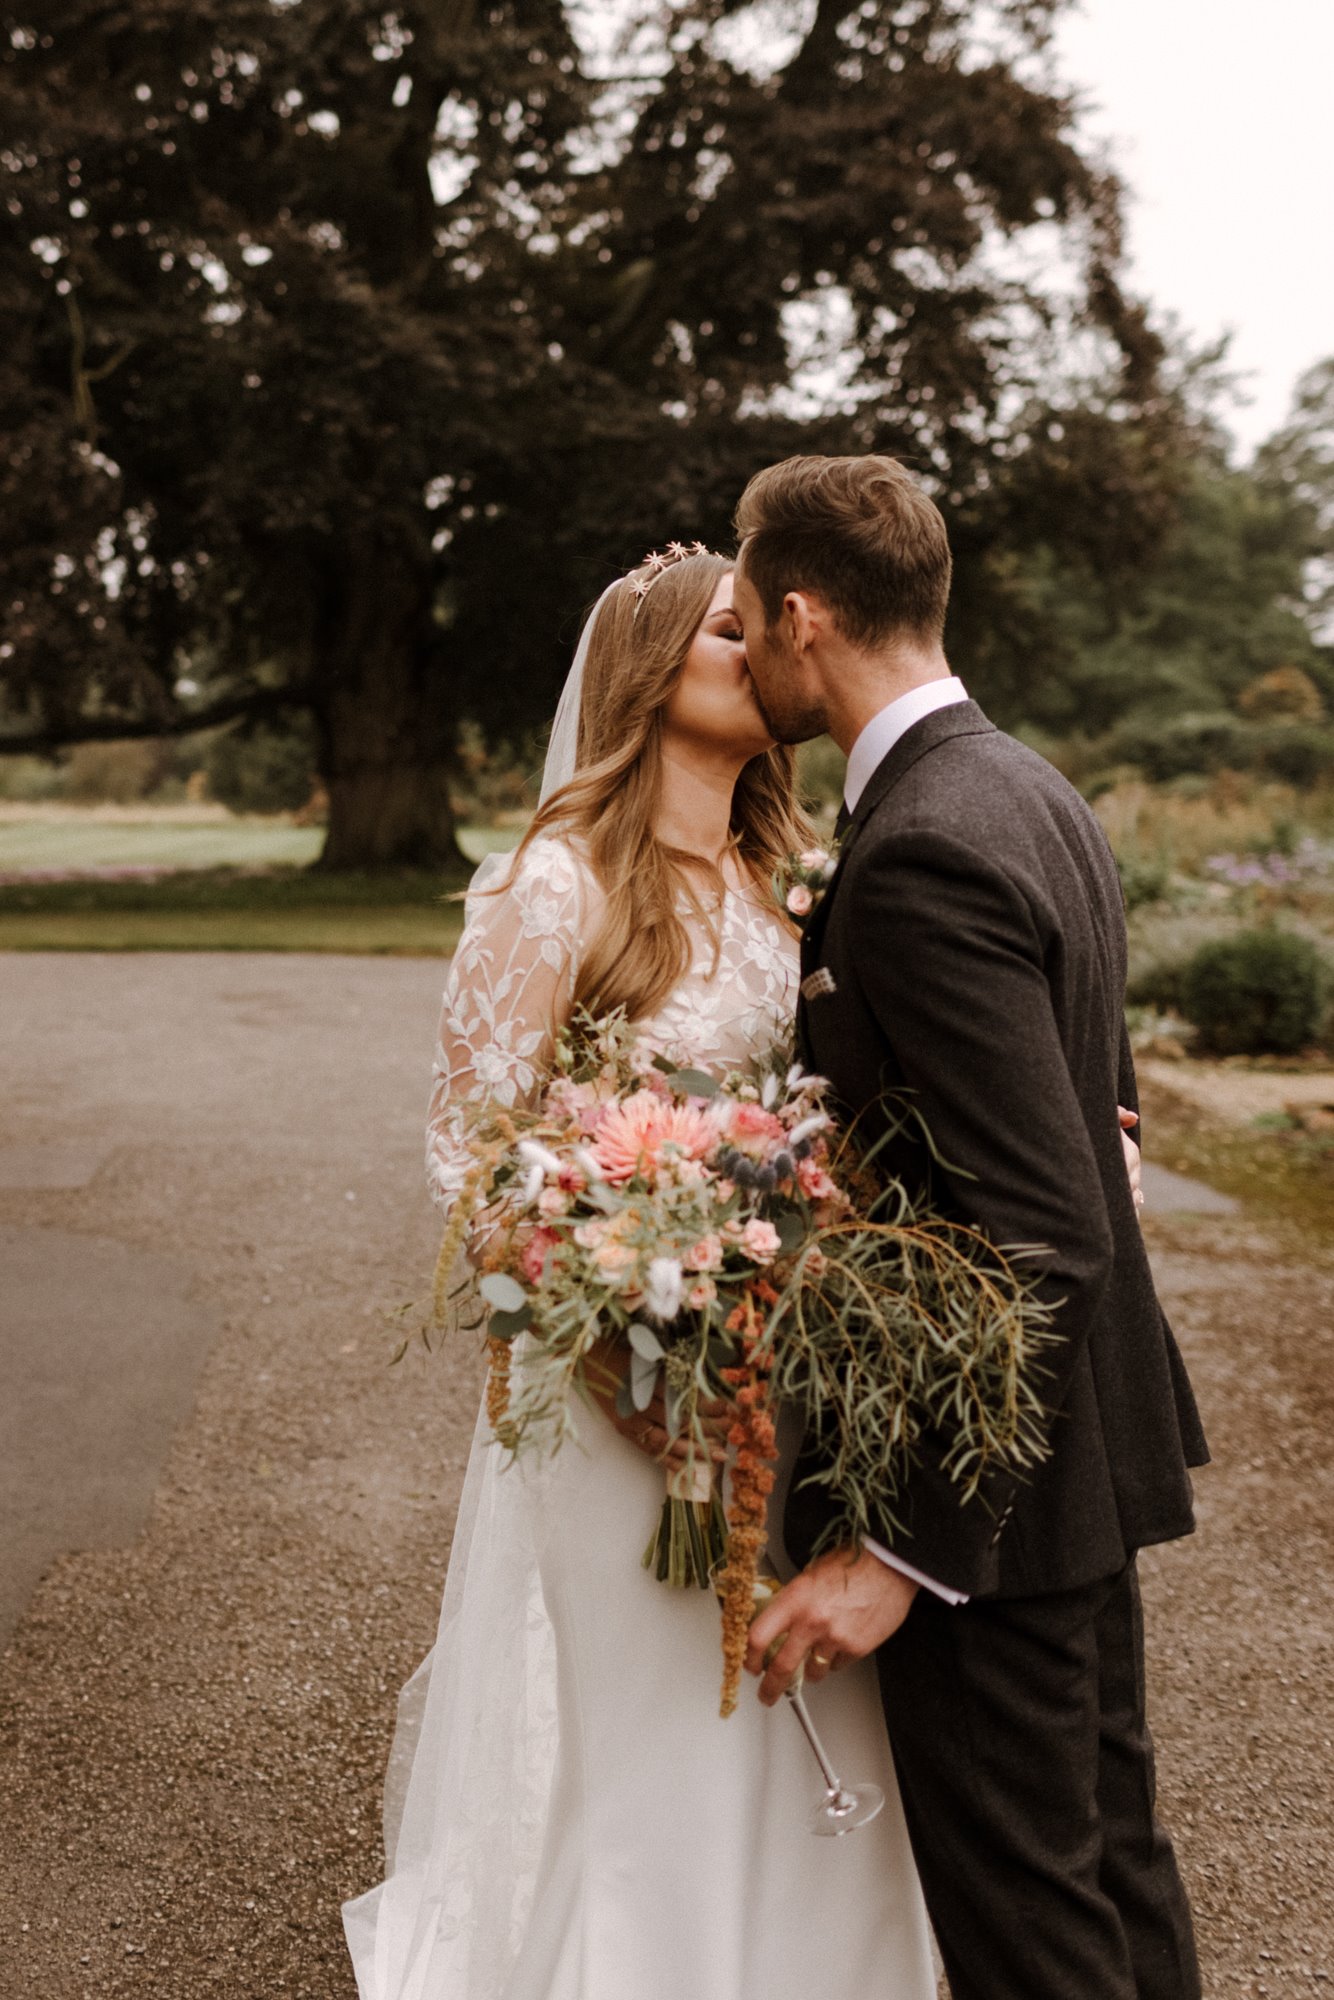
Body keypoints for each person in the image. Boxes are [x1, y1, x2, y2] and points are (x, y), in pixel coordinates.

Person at [343, 539, 1146, 2000]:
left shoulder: (801, 880)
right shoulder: (553, 885)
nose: (763, 649)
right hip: (625, 1409)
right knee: (669, 1750)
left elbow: (881, 1118)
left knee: (832, 1765)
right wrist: (628, 1355)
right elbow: (474, 1161)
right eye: (726, 629)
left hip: (801, 1390)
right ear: (649, 673)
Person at [732, 454, 1209, 2000]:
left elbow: (1045, 1226)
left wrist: (896, 1551)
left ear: (799, 612)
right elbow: (1103, 1124)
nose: (742, 638)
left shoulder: (924, 841)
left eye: (744, 610)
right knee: (1111, 1876)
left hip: (990, 1507)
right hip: (1078, 1458)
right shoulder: (1029, 790)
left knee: (1029, 1936)